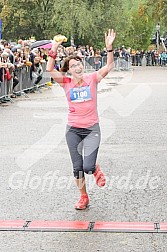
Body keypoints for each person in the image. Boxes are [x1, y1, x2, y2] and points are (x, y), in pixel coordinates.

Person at [47, 29, 116, 210]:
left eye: (79, 64)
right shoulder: (66, 83)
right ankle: (83, 197)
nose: (77, 67)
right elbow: (49, 69)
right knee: (77, 168)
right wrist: (54, 49)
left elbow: (108, 67)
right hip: (73, 130)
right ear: (68, 70)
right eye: (73, 66)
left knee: (87, 166)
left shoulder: (92, 79)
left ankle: (94, 167)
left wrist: (109, 48)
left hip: (92, 128)